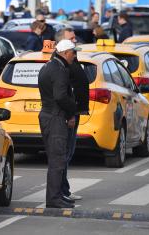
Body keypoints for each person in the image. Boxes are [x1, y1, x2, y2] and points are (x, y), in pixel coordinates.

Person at [38, 39, 80, 209]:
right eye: (73, 52)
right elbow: (61, 96)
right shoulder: (59, 70)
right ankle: (54, 198)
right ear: (64, 53)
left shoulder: (48, 66)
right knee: (57, 160)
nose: (74, 56)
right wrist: (72, 112)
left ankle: (58, 195)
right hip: (55, 117)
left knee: (56, 158)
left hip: (48, 115)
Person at [54, 29, 89, 203]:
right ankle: (61, 191)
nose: (75, 40)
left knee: (68, 153)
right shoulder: (61, 65)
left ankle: (64, 189)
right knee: (64, 154)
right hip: (67, 114)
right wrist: (71, 113)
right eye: (71, 39)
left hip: (74, 112)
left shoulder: (70, 60)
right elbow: (63, 93)